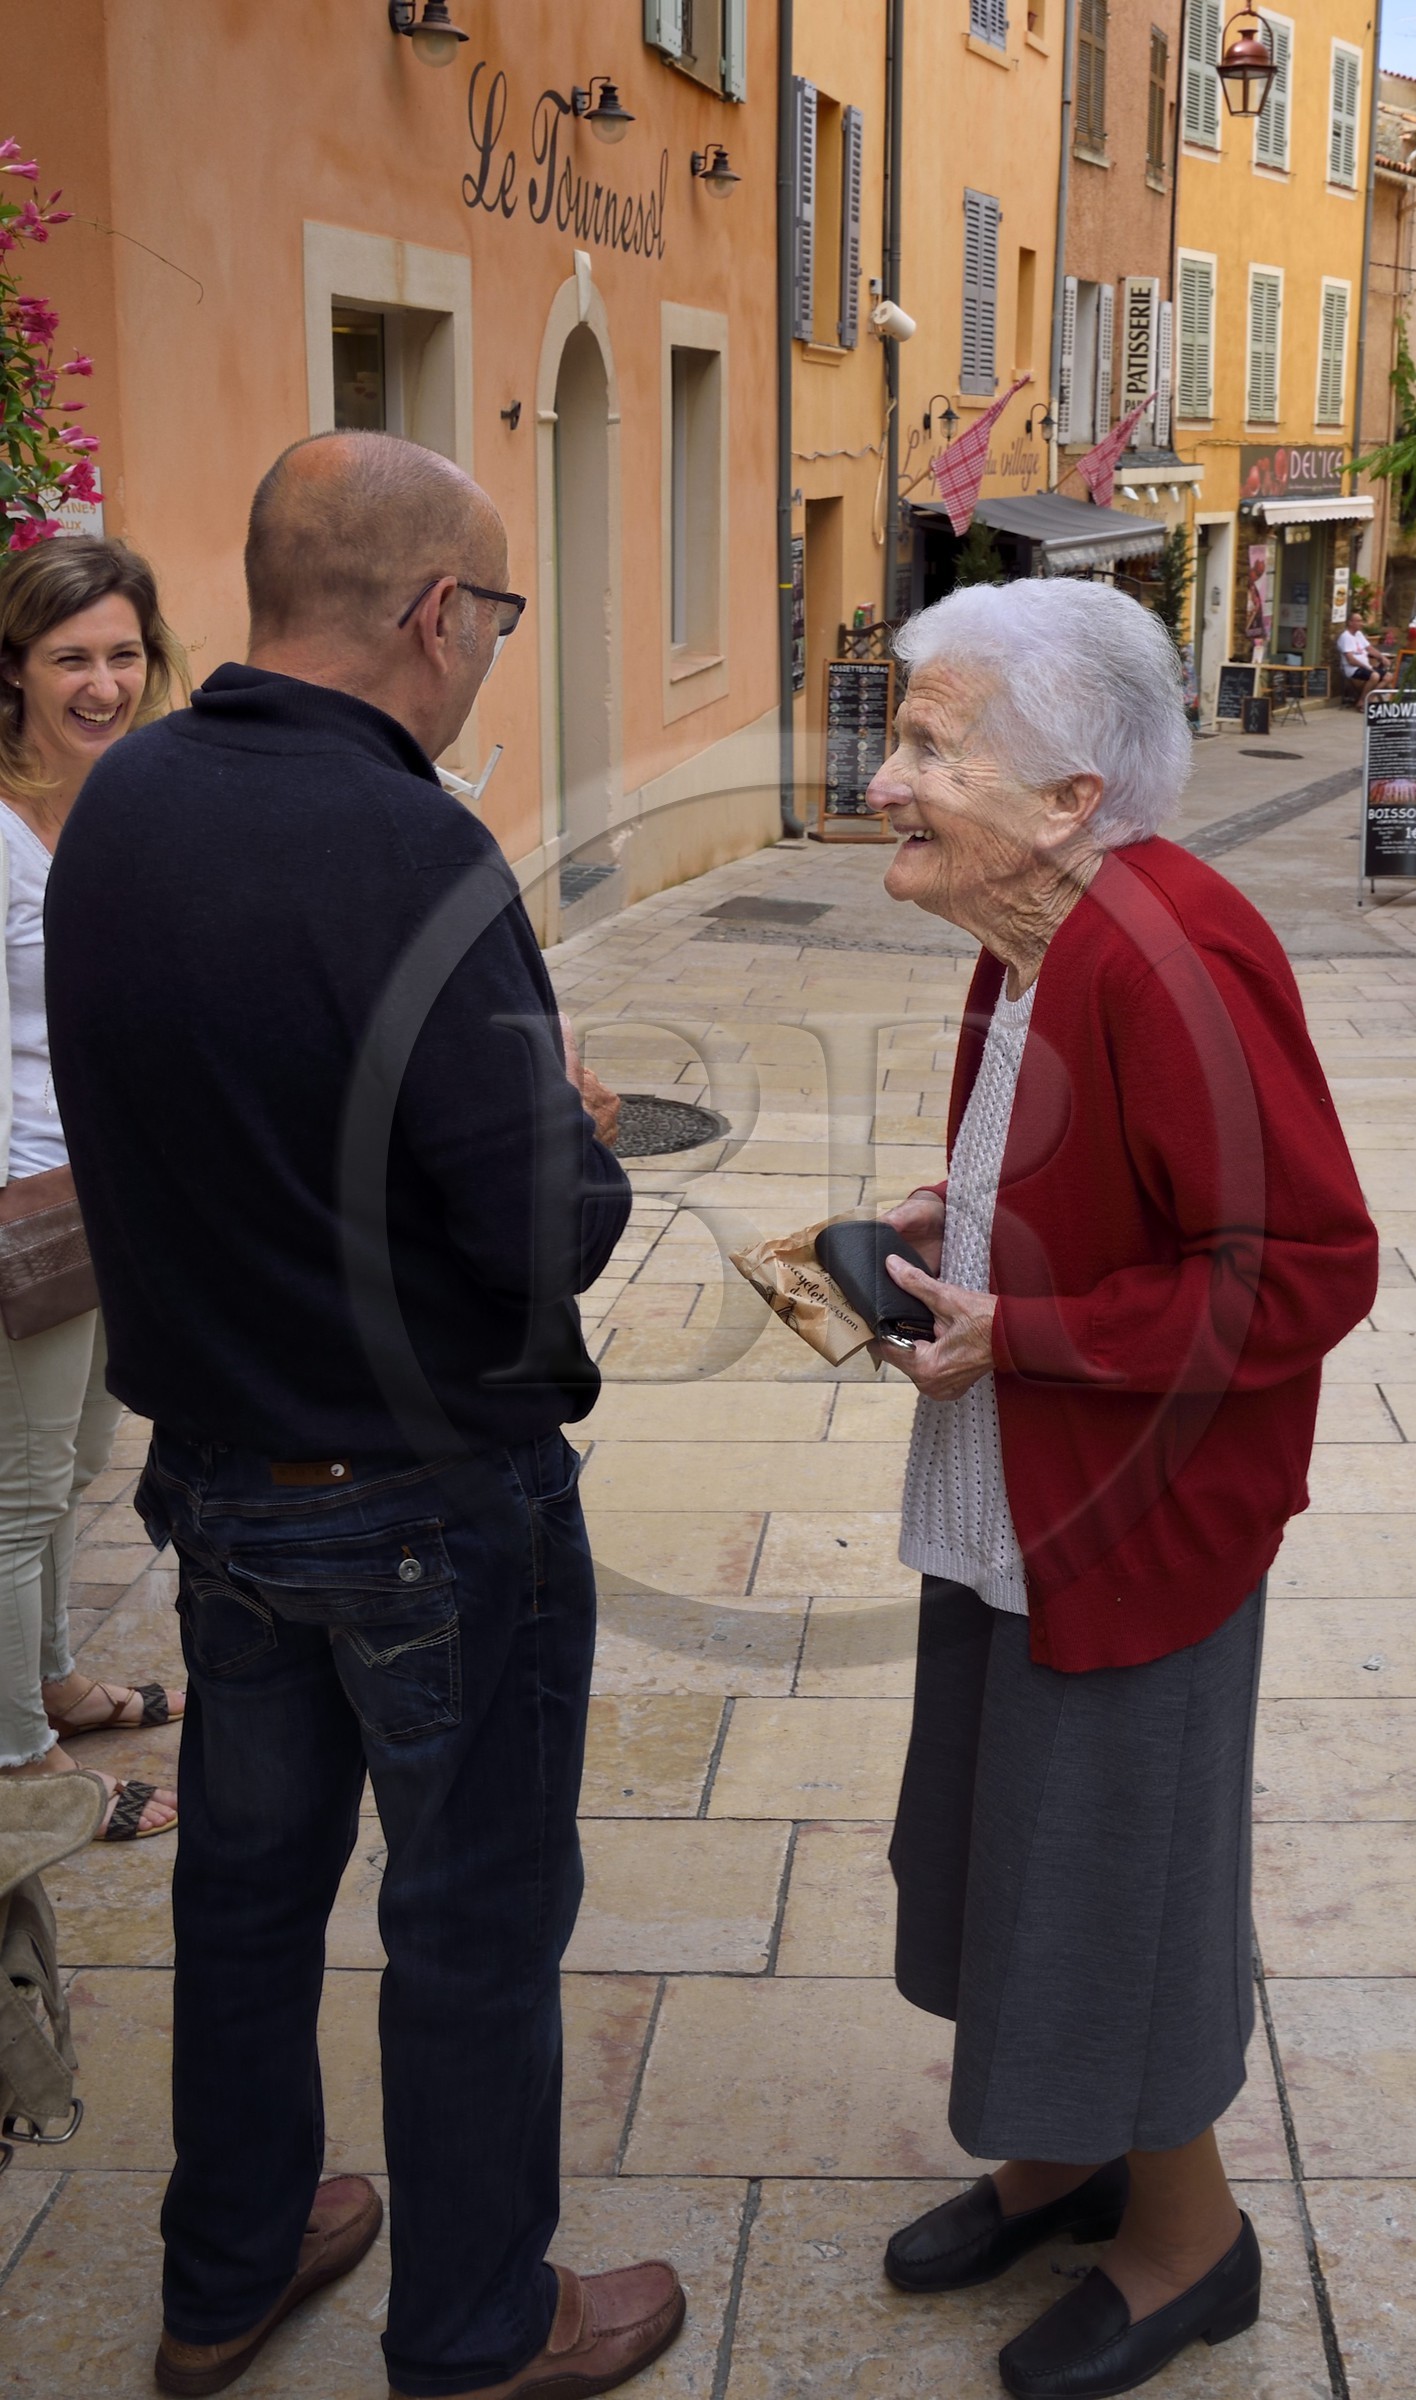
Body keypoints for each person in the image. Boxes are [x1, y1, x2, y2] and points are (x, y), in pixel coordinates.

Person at [45, 434, 685, 2400]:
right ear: (432, 614)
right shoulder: (414, 847)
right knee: (470, 1916)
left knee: (244, 1889)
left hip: (218, 1487)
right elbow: (542, 1229)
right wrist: (574, 1141)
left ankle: (223, 2272)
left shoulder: (122, 802)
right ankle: (482, 2329)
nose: (488, 654)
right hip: (425, 1498)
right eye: (489, 616)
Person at [861, 579, 1378, 2399]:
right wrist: (958, 1221)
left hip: (1133, 1520)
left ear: (1071, 794)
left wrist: (1028, 1328)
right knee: (1012, 1845)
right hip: (1024, 1488)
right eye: (898, 729)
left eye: (928, 743)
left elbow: (1306, 1267)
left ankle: (1189, 2246)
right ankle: (1060, 2164)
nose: (880, 779)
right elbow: (1099, 1175)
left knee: (1113, 1884)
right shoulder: (1035, 935)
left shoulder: (1179, 943)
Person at [0, 536, 189, 1842]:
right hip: (19, 1199)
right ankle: (20, 1771)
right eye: (72, 658)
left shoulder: (124, 801)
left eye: (124, 654)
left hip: (110, 1183)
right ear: (15, 671)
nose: (103, 683)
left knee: (72, 1468)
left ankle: (52, 1678)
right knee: (15, 1490)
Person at [1335, 607, 1389, 696]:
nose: (1361, 624)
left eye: (1361, 621)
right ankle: (1362, 701)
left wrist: (1382, 657)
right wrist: (1367, 667)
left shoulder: (1359, 634)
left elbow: (1370, 649)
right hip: (1353, 669)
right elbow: (1351, 660)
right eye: (1358, 621)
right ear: (1350, 623)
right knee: (1375, 676)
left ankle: (1369, 699)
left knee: (1388, 677)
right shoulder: (1345, 637)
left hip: (1365, 667)